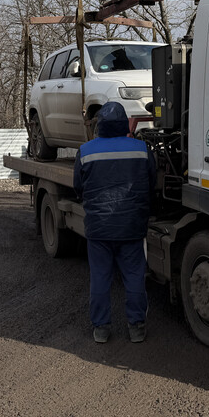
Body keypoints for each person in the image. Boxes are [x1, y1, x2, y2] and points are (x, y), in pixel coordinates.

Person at [73, 101, 156, 344]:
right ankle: (136, 327)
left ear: (99, 125)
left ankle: (101, 329)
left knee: (100, 278)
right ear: (124, 124)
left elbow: (78, 186)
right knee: (134, 277)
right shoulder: (141, 149)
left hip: (98, 229)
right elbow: (151, 182)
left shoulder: (86, 151)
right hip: (131, 226)